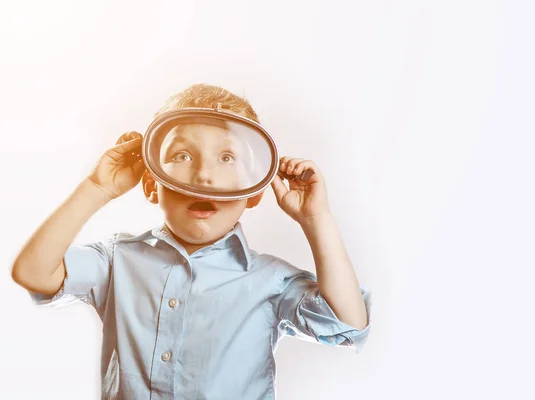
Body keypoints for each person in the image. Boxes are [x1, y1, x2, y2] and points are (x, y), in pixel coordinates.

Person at [10, 83, 372, 400]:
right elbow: (33, 272)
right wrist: (97, 189)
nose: (204, 174)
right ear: (153, 183)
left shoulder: (271, 280)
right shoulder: (116, 260)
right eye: (182, 156)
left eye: (226, 157)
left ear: (253, 192)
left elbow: (346, 323)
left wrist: (315, 219)